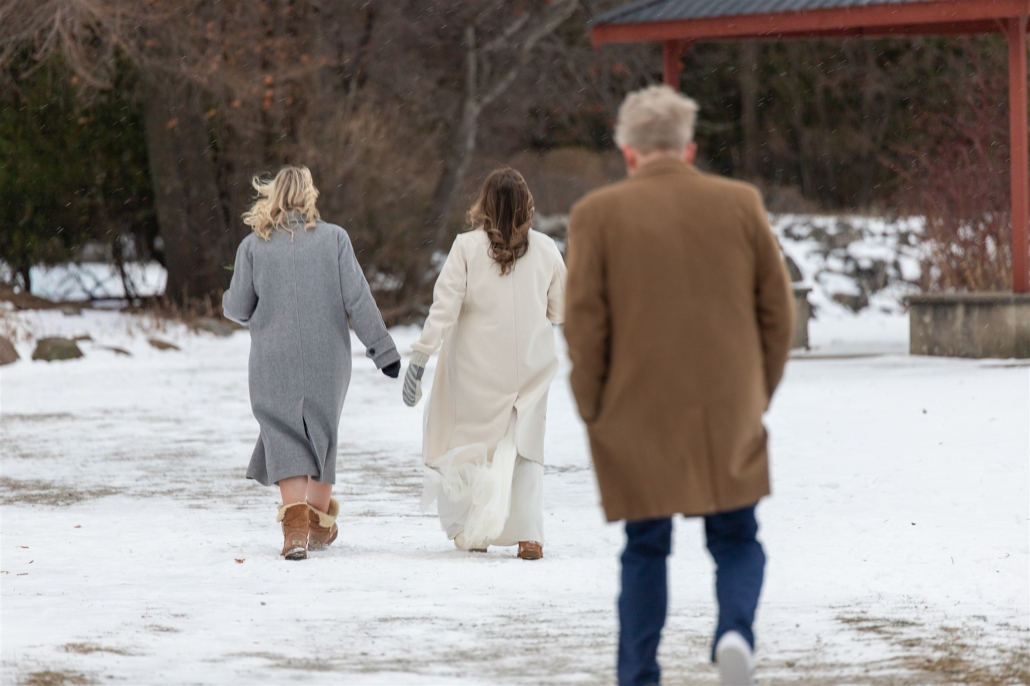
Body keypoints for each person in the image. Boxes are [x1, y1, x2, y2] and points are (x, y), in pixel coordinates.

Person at [563, 86, 795, 685]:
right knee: (738, 534)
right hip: (727, 402)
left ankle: (639, 674)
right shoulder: (740, 203)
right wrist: (757, 391)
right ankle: (735, 631)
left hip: (635, 405)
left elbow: (585, 323)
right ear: (689, 148)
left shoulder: (597, 215)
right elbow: (777, 310)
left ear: (628, 151)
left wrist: (591, 404)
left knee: (645, 547)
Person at [223, 165, 401, 561]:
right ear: (309, 196)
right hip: (328, 358)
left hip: (273, 357)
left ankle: (297, 530)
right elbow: (358, 299)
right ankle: (318, 524)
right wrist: (383, 352)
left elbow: (236, 308)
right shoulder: (334, 239)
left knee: (284, 434)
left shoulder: (253, 246)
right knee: (322, 433)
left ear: (272, 197)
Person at [402, 168, 566, 560]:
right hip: (529, 367)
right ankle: (530, 536)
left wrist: (421, 356)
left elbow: (444, 308)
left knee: (471, 447)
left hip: (477, 368)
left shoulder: (465, 247)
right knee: (525, 448)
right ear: (527, 205)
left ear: (485, 204)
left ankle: (474, 530)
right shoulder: (546, 249)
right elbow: (559, 311)